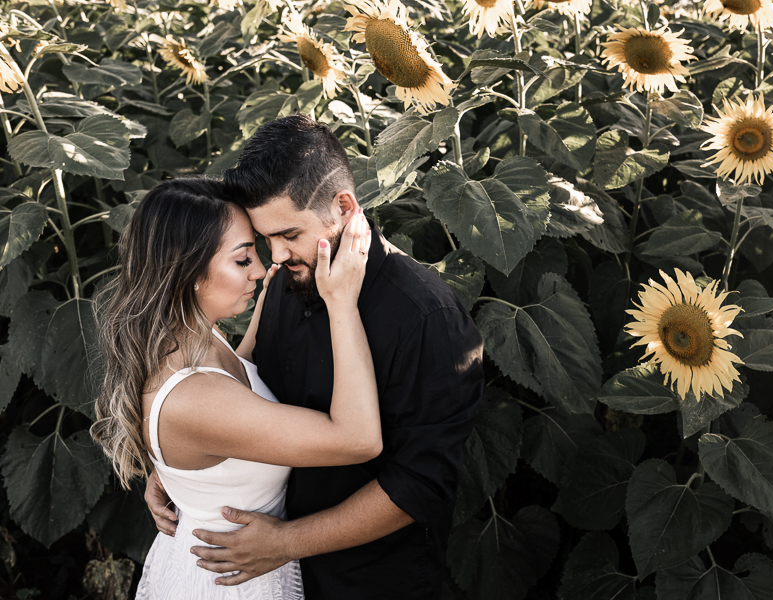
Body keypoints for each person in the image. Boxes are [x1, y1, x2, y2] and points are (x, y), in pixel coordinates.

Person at [144, 115, 485, 598]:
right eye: (265, 240)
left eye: (289, 235)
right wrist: (185, 466)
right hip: (265, 570)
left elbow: (421, 484)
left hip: (366, 578)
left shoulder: (425, 318)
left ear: (342, 207)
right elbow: (241, 386)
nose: (276, 258)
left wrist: (288, 542)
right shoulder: (290, 278)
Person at [92, 176, 376, 599]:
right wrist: (342, 303)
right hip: (229, 583)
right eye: (243, 260)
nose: (263, 270)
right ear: (187, 273)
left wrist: (180, 473)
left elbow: (237, 379)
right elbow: (357, 439)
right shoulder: (195, 401)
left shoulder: (187, 336)